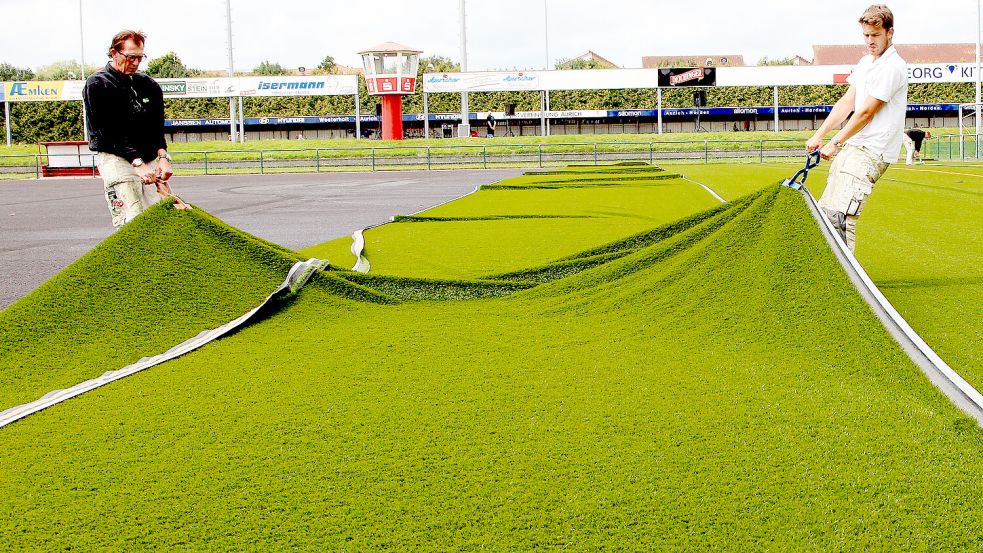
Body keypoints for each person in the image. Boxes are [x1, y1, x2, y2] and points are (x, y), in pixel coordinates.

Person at [806, 5, 907, 252]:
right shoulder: (866, 62)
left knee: (842, 217)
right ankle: (832, 266)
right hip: (854, 146)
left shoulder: (893, 67)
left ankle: (847, 274)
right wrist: (819, 135)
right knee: (827, 212)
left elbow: (866, 112)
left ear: (890, 32)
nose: (870, 41)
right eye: (866, 35)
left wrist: (835, 142)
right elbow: (847, 103)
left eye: (876, 35)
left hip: (873, 150)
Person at [83, 30, 184, 228]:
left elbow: (156, 126)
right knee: (133, 218)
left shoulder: (148, 84)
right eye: (131, 57)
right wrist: (137, 163)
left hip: (148, 158)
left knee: (165, 215)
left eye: (140, 57)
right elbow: (107, 131)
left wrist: (163, 157)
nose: (136, 63)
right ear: (114, 53)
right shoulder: (98, 83)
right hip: (117, 158)